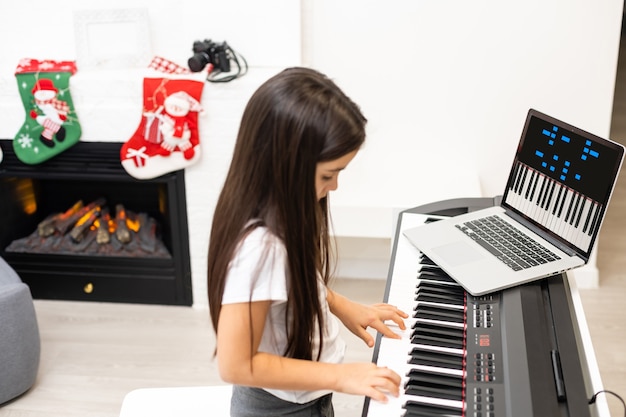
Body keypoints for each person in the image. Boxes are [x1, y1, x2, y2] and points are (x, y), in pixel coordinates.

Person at [207, 67, 408, 417]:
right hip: (282, 407)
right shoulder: (262, 248)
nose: (334, 187)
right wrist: (341, 377)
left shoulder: (280, 212)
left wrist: (343, 305)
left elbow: (298, 282)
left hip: (302, 396)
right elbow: (235, 363)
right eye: (328, 175)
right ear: (285, 165)